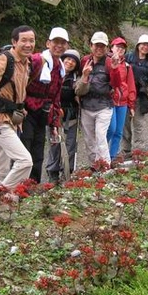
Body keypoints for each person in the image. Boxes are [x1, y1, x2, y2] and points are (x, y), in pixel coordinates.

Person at [0, 25, 35, 213]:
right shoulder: (4, 59)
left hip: (10, 120)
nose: (28, 44)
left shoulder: (26, 63)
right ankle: (0, 197)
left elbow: (17, 91)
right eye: (24, 40)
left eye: (31, 40)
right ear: (14, 42)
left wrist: (20, 108)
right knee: (25, 161)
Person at [21, 27, 69, 184]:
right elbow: (19, 80)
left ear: (67, 46)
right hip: (26, 111)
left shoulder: (60, 67)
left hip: (42, 113)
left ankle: (32, 187)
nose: (59, 46)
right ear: (48, 43)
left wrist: (54, 121)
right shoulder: (36, 60)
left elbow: (55, 96)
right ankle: (19, 188)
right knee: (24, 151)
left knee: (38, 152)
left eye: (63, 43)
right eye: (56, 42)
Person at [75, 31, 121, 166]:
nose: (99, 49)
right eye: (96, 45)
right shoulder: (84, 60)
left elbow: (117, 85)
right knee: (89, 140)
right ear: (91, 46)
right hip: (86, 105)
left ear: (107, 48)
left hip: (104, 105)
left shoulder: (109, 62)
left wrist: (115, 69)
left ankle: (105, 166)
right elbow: (78, 80)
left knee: (101, 137)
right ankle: (94, 166)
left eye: (102, 46)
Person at [121, 34, 148, 157]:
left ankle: (138, 150)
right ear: (138, 45)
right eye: (143, 44)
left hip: (140, 96)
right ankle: (126, 150)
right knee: (126, 124)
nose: (145, 47)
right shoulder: (128, 57)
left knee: (138, 123)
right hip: (126, 96)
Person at [47, 49, 81, 184]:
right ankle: (52, 172)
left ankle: (67, 172)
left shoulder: (75, 79)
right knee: (54, 144)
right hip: (54, 116)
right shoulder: (52, 74)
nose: (70, 62)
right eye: (67, 59)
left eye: (73, 61)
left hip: (71, 116)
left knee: (70, 145)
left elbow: (80, 92)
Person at [106, 37, 136, 161]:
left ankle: (112, 157)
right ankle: (101, 154)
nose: (120, 49)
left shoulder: (127, 65)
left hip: (123, 102)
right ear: (111, 48)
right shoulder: (107, 61)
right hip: (110, 101)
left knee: (118, 132)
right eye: (118, 46)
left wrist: (131, 104)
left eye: (123, 47)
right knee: (111, 129)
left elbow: (131, 85)